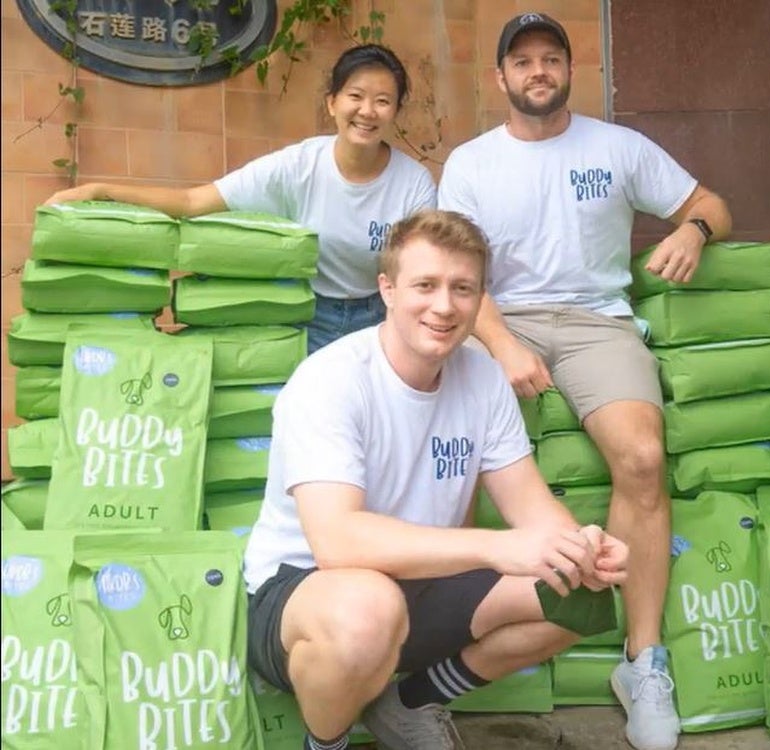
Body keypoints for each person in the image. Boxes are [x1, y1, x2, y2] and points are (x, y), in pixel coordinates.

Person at [437, 12, 733, 750]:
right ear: (499, 78)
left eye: (551, 59)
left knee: (641, 459)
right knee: (446, 451)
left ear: (571, 72)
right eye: (523, 62)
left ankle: (643, 661)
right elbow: (457, 275)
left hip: (599, 322)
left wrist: (692, 232)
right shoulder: (471, 163)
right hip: (500, 318)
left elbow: (711, 205)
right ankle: (435, 640)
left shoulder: (619, 147)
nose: (538, 71)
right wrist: (501, 343)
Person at [242, 208, 629, 750]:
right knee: (369, 606)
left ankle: (410, 702)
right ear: (389, 290)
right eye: (425, 285)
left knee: (575, 592)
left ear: (480, 297)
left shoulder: (483, 379)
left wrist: (581, 549)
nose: (444, 306)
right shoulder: (331, 380)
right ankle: (326, 743)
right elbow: (336, 542)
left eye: (462, 288)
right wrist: (499, 548)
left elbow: (535, 513)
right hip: (306, 597)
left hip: (421, 584)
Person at [44, 44, 436, 353]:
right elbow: (195, 203)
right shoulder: (297, 166)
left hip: (382, 318)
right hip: (307, 315)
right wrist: (102, 191)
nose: (367, 111)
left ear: (396, 111)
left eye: (383, 100)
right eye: (356, 96)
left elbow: (422, 273)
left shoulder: (414, 183)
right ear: (332, 102)